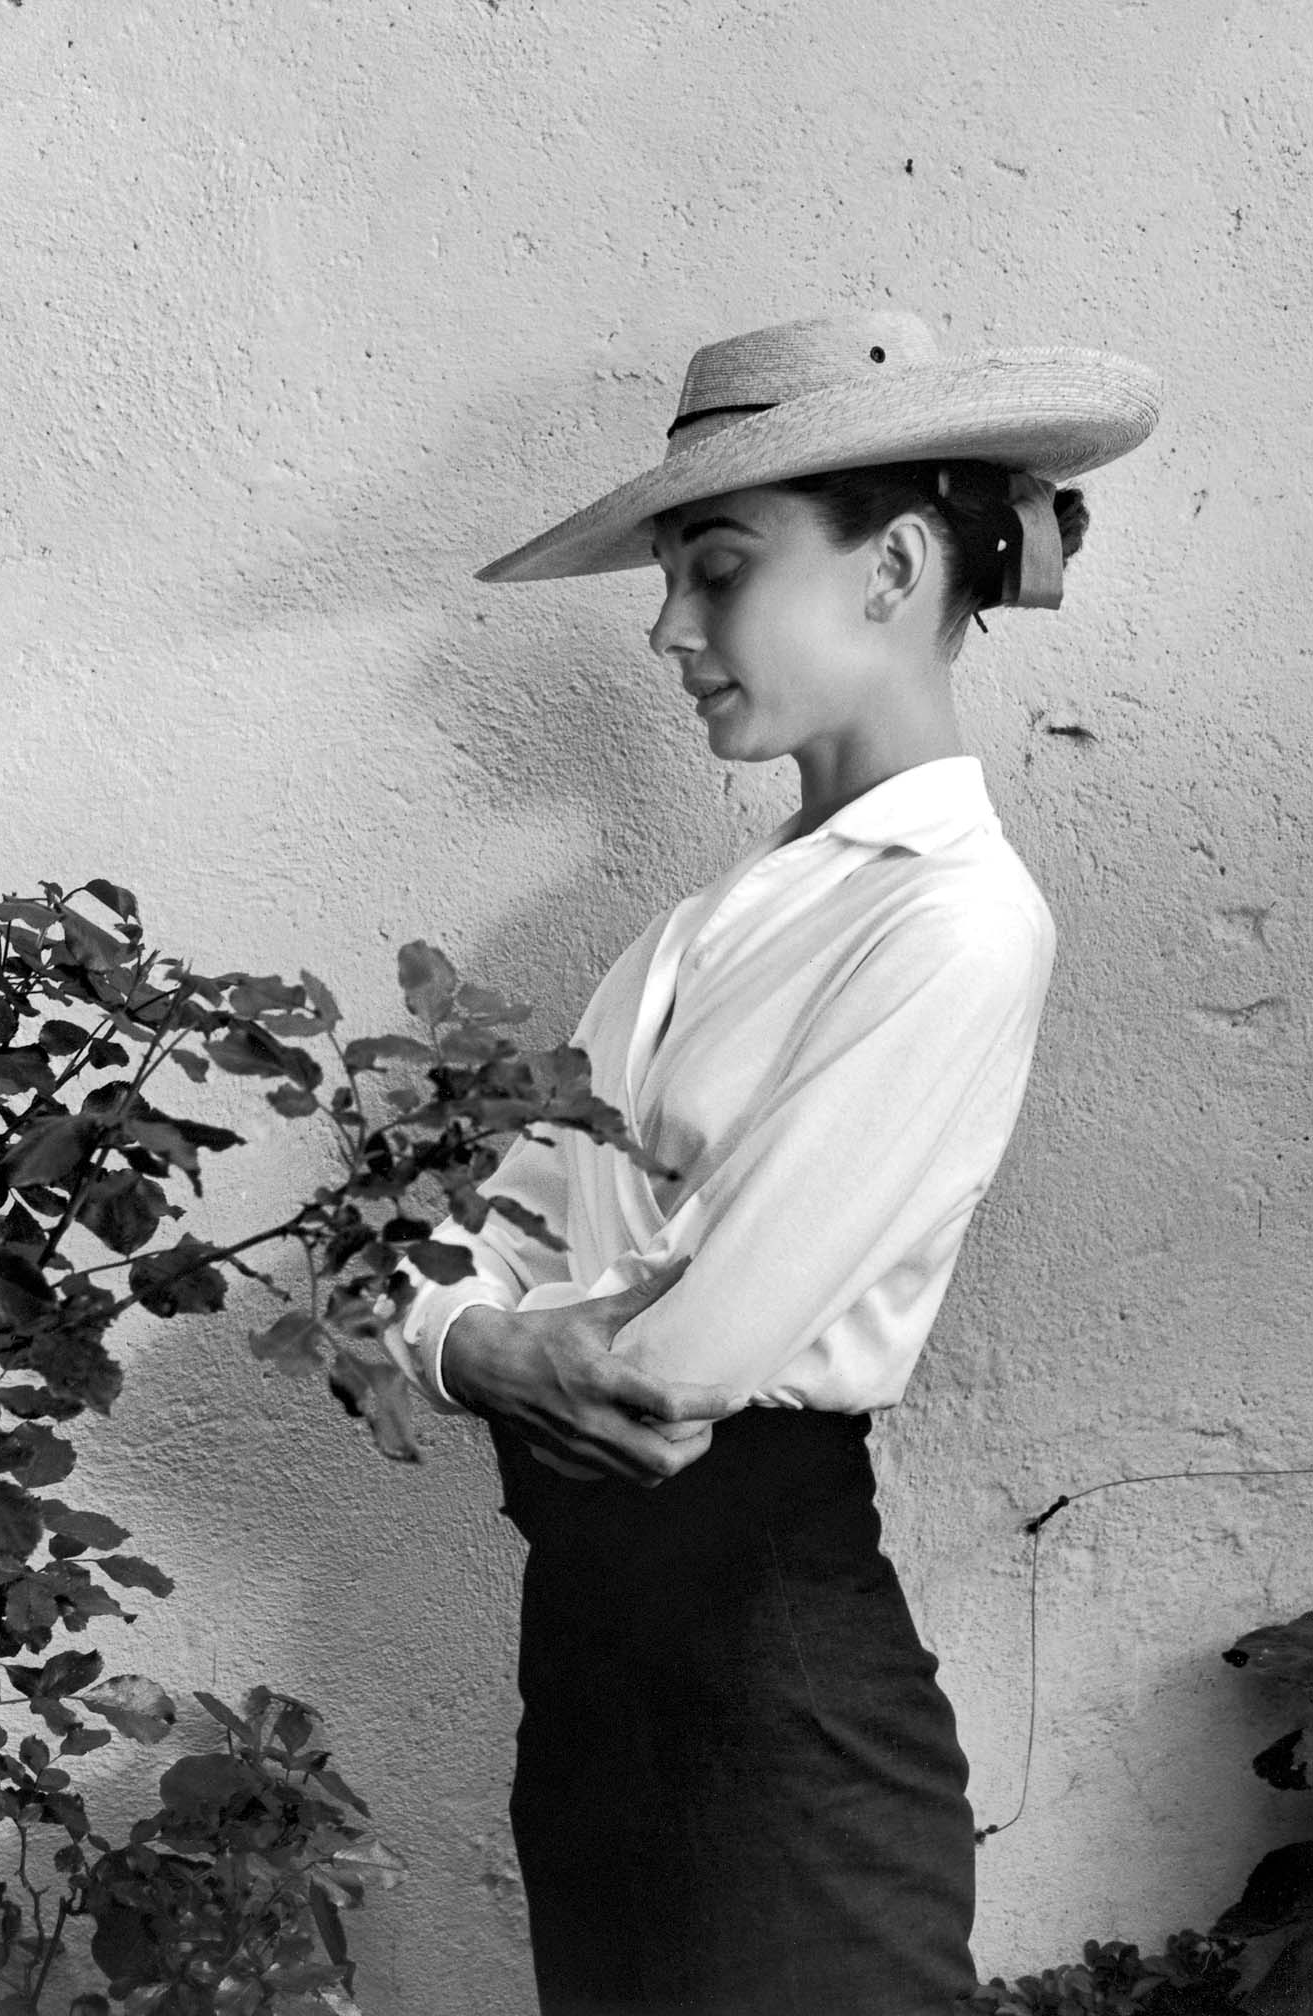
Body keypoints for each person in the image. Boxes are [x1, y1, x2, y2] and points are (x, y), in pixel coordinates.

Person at [388, 307, 1160, 2016]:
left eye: (719, 569)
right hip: (592, 1690)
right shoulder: (687, 936)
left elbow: (674, 1372)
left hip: (777, 1698)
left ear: (892, 567)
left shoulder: (954, 923)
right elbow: (443, 1255)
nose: (669, 628)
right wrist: (476, 1339)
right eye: (670, 578)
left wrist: (476, 1327)